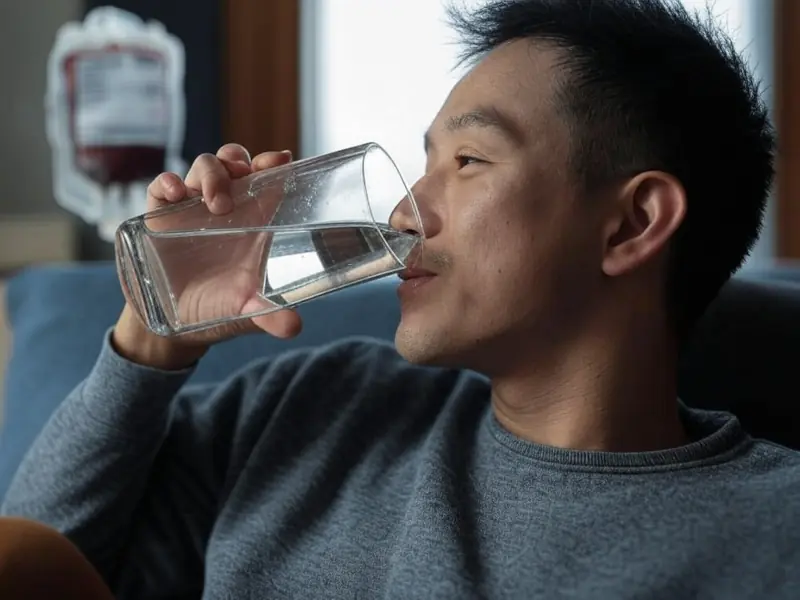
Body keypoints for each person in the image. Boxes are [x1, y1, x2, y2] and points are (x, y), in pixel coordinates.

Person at [1, 0, 797, 597]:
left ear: (633, 223)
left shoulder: (773, 531)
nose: (403, 214)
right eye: (425, 162)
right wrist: (151, 337)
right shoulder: (312, 410)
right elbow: (39, 561)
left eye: (471, 161)